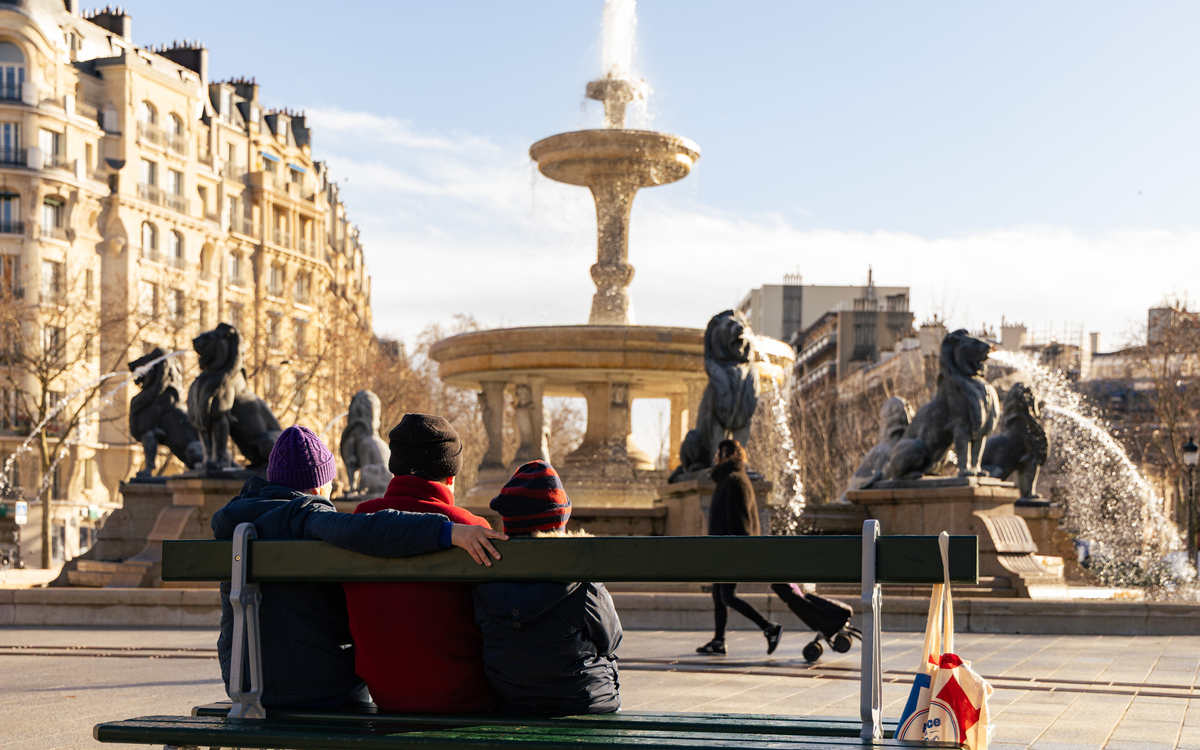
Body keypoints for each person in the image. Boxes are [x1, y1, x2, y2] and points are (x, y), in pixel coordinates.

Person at [212, 424, 507, 709]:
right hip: (320, 688)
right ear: (318, 486)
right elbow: (364, 530)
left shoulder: (236, 520)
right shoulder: (306, 515)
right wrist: (446, 531)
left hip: (242, 683)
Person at [342, 414, 497, 713]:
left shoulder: (359, 523)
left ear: (394, 469)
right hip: (467, 699)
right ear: (450, 476)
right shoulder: (471, 528)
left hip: (387, 697)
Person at [473, 460, 622, 715]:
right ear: (560, 519)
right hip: (584, 703)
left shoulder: (483, 576)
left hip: (511, 703)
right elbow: (612, 640)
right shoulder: (582, 581)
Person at [695, 439, 783, 656]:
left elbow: (741, 519)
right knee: (719, 594)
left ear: (731, 456)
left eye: (720, 455)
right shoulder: (729, 478)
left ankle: (769, 627)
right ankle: (718, 640)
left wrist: (736, 549)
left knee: (727, 596)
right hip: (724, 548)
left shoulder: (734, 480)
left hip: (729, 549)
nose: (716, 460)